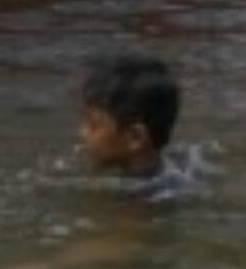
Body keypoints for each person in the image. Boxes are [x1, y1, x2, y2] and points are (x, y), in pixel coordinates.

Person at [79, 53, 185, 196]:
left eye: (94, 124)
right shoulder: (172, 172)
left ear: (135, 138)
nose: (82, 133)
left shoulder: (141, 205)